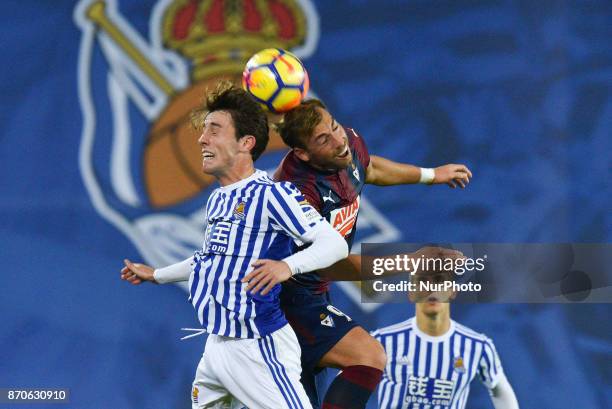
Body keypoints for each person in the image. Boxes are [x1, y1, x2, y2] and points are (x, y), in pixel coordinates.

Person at [120, 82, 349, 409]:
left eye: (214, 130)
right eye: (204, 131)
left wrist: (287, 266)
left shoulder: (273, 195)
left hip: (257, 345)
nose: (202, 139)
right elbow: (209, 260)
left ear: (246, 143)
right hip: (216, 347)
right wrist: (156, 274)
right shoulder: (218, 200)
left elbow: (334, 244)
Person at [273, 99, 473, 409]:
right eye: (323, 139)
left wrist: (432, 175)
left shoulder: (346, 145)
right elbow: (335, 266)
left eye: (335, 127)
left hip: (312, 296)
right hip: (284, 306)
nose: (340, 142)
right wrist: (412, 262)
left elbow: (370, 168)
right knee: (368, 357)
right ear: (302, 153)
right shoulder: (294, 195)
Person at [372, 266, 520, 409]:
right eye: (423, 282)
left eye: (439, 281)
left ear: (452, 290)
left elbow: (500, 391)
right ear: (411, 293)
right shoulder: (383, 340)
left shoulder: (477, 346)